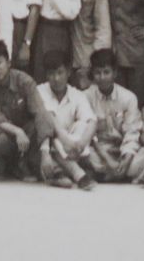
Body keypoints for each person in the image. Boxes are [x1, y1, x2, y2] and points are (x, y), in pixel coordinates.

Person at [0, 39, 47, 180]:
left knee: (40, 124)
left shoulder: (25, 81)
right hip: (3, 130)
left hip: (27, 132)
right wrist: (17, 131)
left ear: (8, 63)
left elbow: (39, 113)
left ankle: (22, 163)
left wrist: (46, 152)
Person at [36, 50, 97, 189]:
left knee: (82, 124)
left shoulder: (77, 95)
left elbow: (92, 121)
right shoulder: (40, 91)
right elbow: (48, 119)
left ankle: (61, 172)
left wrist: (80, 144)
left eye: (59, 72)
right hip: (45, 146)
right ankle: (78, 174)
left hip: (72, 148)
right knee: (51, 131)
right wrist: (66, 140)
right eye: (51, 74)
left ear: (68, 72)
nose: (56, 78)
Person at [82, 49, 142, 182]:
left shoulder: (129, 98)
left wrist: (126, 159)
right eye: (97, 73)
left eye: (106, 72)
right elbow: (87, 134)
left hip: (122, 149)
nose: (102, 77)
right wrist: (107, 159)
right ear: (92, 73)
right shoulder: (86, 97)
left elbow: (132, 133)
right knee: (84, 153)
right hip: (98, 151)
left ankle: (109, 174)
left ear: (115, 73)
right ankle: (118, 174)